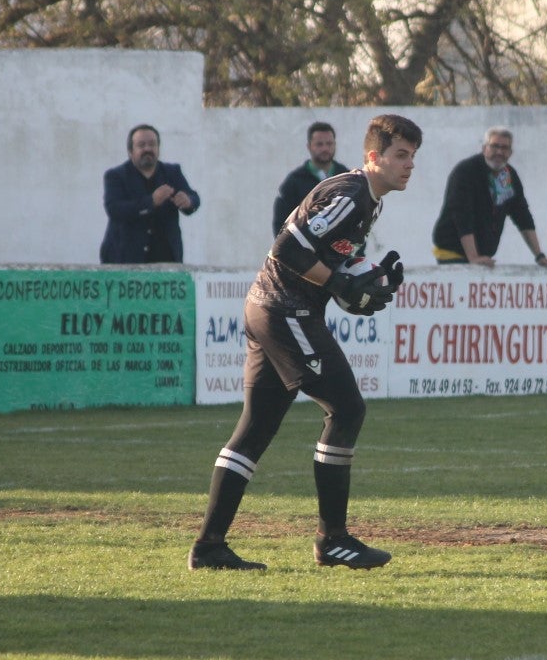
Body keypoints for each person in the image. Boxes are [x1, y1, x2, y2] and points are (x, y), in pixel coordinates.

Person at [188, 114, 422, 571]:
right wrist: (340, 283)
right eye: (400, 155)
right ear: (373, 157)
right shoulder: (352, 194)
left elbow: (328, 256)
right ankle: (332, 539)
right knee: (347, 408)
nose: (409, 164)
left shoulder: (367, 199)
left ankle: (209, 547)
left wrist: (367, 279)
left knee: (256, 428)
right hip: (284, 309)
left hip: (272, 307)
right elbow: (287, 249)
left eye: (413, 156)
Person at [431, 126, 547, 274]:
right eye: (494, 146)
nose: (499, 152)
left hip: (482, 258)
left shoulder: (509, 176)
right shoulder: (466, 171)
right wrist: (473, 257)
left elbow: (523, 216)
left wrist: (539, 256)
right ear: (484, 148)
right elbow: (462, 215)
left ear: (511, 153)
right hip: (453, 253)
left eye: (505, 148)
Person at [99, 124, 200, 264]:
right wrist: (151, 202)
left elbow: (194, 198)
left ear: (158, 148)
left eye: (152, 144)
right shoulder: (116, 176)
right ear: (130, 151)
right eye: (141, 145)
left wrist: (188, 201)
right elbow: (114, 209)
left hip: (166, 260)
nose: (147, 149)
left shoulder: (172, 172)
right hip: (125, 260)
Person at [272, 121, 349, 235]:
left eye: (329, 144)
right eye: (319, 144)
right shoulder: (295, 182)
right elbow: (281, 223)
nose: (325, 148)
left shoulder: (346, 178)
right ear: (309, 146)